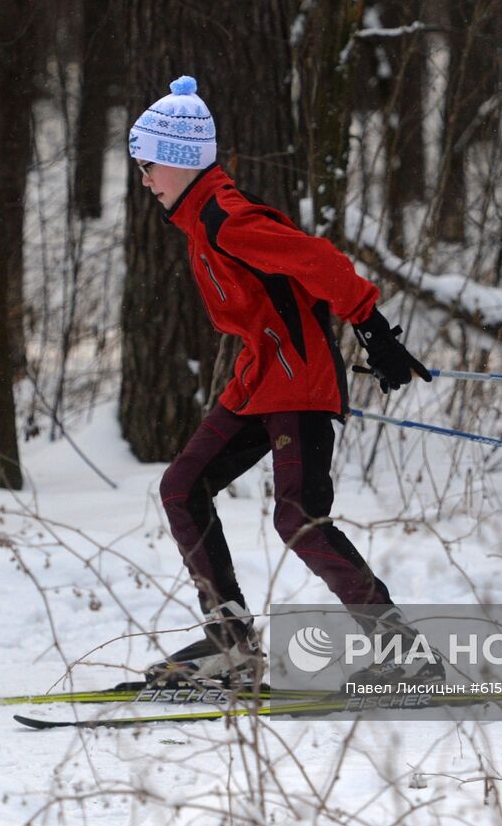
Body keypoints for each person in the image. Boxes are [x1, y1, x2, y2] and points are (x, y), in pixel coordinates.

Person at [130, 75, 441, 688]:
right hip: (259, 379)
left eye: (149, 166)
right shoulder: (201, 220)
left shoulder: (226, 218)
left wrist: (373, 329)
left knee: (298, 517)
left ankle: (406, 657)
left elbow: (318, 262)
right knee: (182, 487)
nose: (144, 180)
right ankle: (231, 644)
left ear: (179, 159)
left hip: (295, 377)